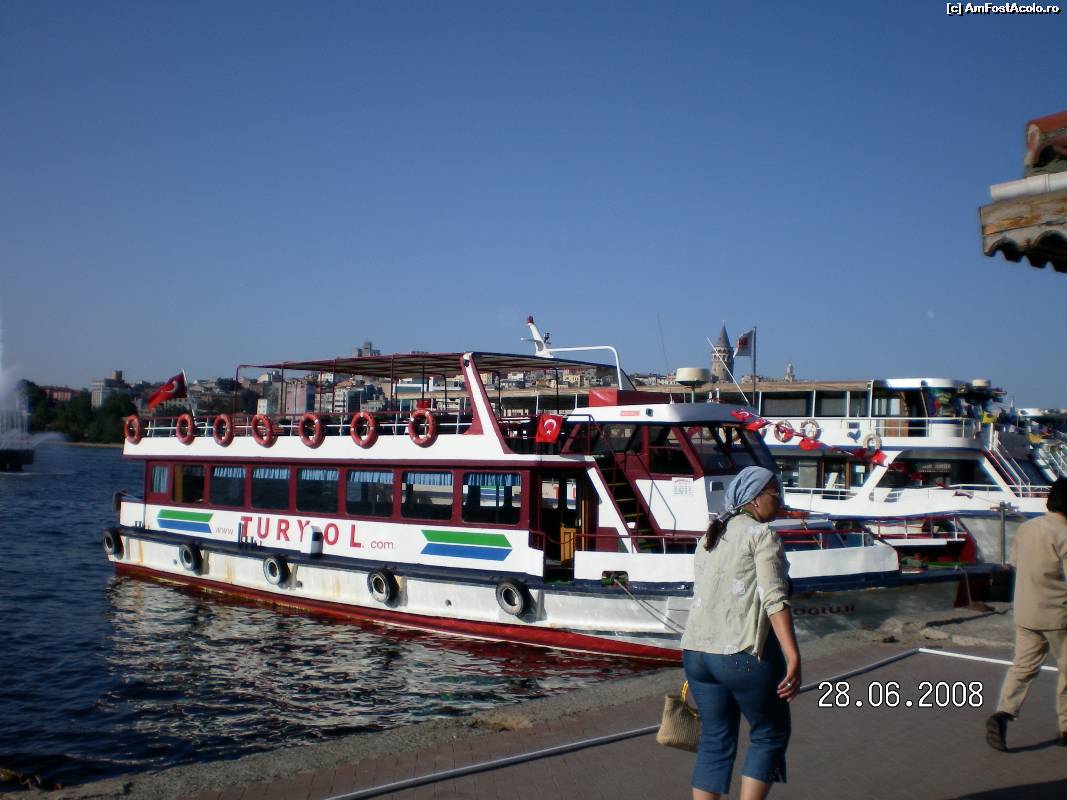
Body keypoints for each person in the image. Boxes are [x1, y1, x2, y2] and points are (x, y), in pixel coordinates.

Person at [681, 466, 801, 800]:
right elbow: (774, 598)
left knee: (715, 740)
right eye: (776, 494)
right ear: (755, 498)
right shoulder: (761, 535)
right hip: (740, 652)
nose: (781, 502)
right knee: (769, 733)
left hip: (696, 653)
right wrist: (793, 655)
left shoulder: (710, 535)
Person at [986, 477, 1067, 750]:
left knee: (1022, 667)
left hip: (1026, 611)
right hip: (1059, 615)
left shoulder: (1027, 528)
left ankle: (1003, 713)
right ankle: (1066, 728)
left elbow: (1017, 563)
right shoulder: (1065, 534)